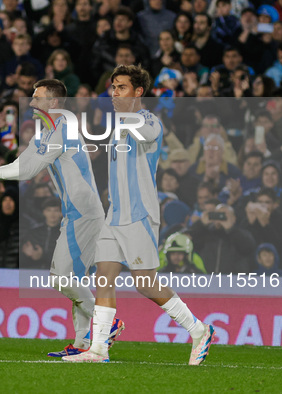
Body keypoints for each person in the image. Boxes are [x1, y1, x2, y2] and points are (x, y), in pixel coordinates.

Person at [0, 79, 123, 357]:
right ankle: (81, 344)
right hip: (77, 211)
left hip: (84, 213)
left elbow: (29, 170)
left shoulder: (64, 128)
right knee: (74, 279)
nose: (31, 103)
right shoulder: (47, 131)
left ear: (53, 103)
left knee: (60, 278)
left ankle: (107, 322)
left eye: (37, 98)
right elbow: (21, 162)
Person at [62, 65, 214, 365]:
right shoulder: (117, 124)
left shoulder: (149, 121)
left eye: (121, 87)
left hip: (140, 215)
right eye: (113, 87)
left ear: (138, 92)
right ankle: (98, 349)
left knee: (145, 283)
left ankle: (199, 330)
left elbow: (146, 134)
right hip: (114, 215)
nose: (114, 92)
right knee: (104, 277)